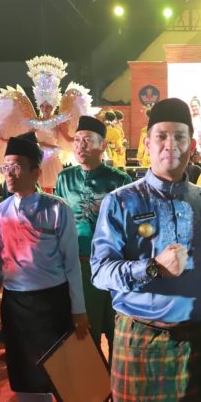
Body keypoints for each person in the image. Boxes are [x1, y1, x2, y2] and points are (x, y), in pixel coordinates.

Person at [91, 98, 201, 402]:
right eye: (161, 136)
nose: (170, 145)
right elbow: (100, 271)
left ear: (191, 145)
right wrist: (150, 268)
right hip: (142, 340)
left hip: (199, 342)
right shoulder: (122, 201)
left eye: (179, 137)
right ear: (146, 143)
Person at [0, 132, 103, 402]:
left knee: (68, 369)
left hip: (54, 303)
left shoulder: (57, 210)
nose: (10, 174)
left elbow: (71, 264)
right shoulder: (1, 213)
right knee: (27, 378)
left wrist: (79, 310)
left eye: (17, 167)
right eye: (6, 167)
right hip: (17, 306)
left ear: (36, 171)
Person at [0, 55, 93, 191]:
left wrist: (81, 140)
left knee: (48, 190)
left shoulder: (58, 121)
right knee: (33, 188)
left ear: (53, 105)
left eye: (48, 106)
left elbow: (67, 138)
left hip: (50, 159)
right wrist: (3, 140)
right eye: (42, 106)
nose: (45, 109)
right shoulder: (33, 122)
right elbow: (23, 140)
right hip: (37, 158)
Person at [55, 116, 132, 360]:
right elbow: (60, 222)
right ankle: (94, 383)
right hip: (79, 267)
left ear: (103, 145)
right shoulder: (65, 178)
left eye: (87, 140)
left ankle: (118, 380)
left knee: (117, 331)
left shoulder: (120, 180)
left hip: (111, 266)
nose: (80, 145)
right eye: (77, 140)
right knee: (86, 333)